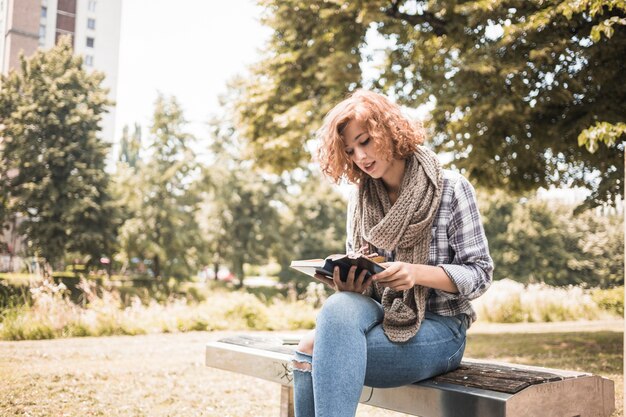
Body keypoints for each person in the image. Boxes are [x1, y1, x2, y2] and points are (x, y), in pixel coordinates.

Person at [291, 89, 494, 417]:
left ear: (389, 130)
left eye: (365, 140)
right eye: (350, 150)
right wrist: (351, 284)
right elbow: (366, 288)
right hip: (382, 315)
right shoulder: (360, 201)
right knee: (339, 306)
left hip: (442, 326)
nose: (360, 156)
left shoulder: (452, 188)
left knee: (315, 349)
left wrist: (416, 273)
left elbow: (480, 274)